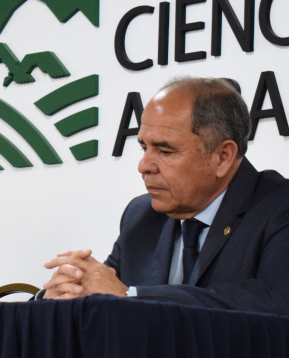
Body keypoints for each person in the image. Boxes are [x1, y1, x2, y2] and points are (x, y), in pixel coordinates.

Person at [42, 76, 289, 314]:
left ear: (222, 156)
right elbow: (107, 290)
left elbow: (274, 301)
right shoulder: (141, 216)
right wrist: (67, 292)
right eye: (144, 148)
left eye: (165, 151)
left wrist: (132, 297)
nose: (144, 166)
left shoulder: (279, 207)